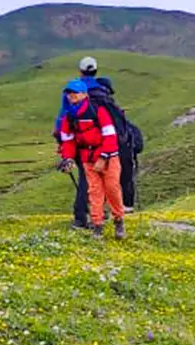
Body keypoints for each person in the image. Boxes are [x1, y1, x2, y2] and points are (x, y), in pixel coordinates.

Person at [58, 79, 126, 239]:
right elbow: (67, 140)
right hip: (87, 158)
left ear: (84, 94)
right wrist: (68, 158)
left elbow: (110, 135)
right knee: (94, 191)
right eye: (69, 93)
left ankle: (118, 220)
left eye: (74, 92)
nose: (71, 96)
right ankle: (97, 225)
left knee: (112, 189)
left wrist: (103, 157)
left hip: (109, 157)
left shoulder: (98, 110)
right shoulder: (69, 117)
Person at [53, 56, 101, 229]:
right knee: (96, 180)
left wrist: (62, 142)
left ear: (80, 70)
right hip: (101, 146)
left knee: (85, 179)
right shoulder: (102, 90)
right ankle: (96, 214)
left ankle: (82, 216)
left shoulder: (69, 92)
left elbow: (63, 116)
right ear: (95, 70)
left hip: (76, 142)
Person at [91, 76, 141, 213]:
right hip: (120, 149)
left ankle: (99, 210)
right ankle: (126, 207)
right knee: (124, 178)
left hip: (95, 150)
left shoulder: (87, 106)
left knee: (97, 181)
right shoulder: (112, 107)